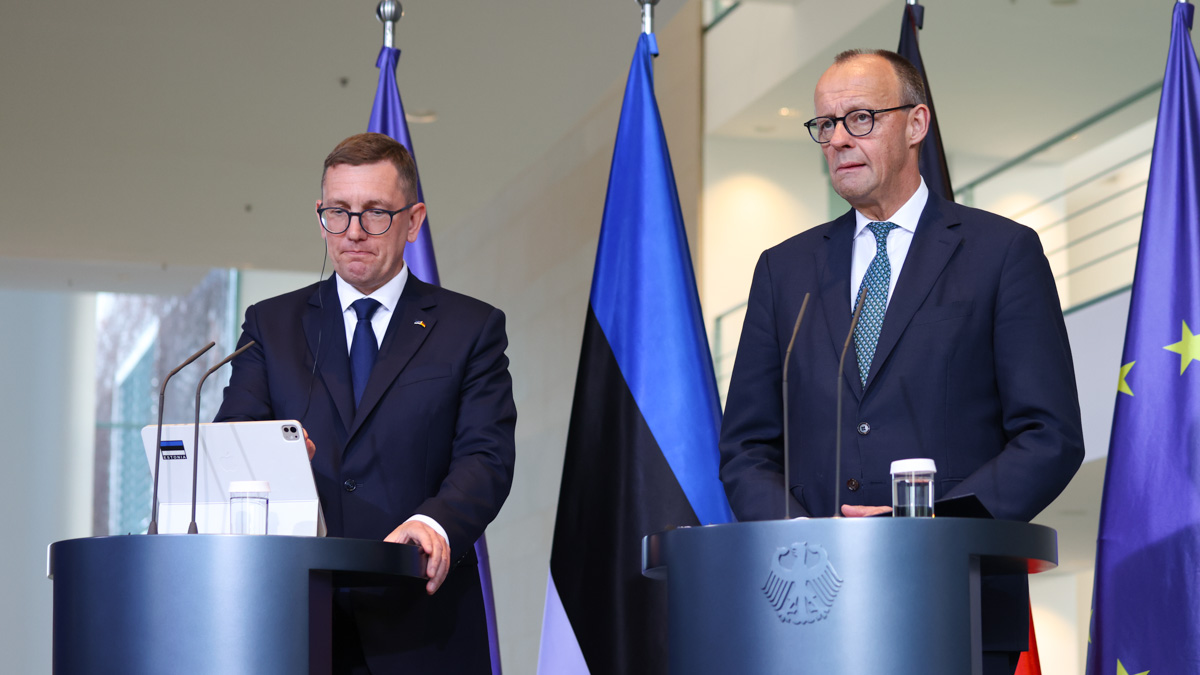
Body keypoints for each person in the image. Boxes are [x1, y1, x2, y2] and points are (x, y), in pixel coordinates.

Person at [718, 50, 1084, 675]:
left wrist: (935, 525)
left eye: (860, 118)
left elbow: (1049, 436)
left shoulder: (1001, 253)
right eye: (825, 124)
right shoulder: (785, 270)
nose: (837, 140)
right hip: (812, 608)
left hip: (957, 602)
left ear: (916, 124)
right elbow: (747, 446)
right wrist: (809, 539)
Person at [215, 132, 516, 674]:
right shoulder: (271, 324)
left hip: (421, 621)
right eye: (338, 212)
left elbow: (486, 457)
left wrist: (436, 524)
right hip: (292, 620)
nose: (353, 232)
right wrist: (271, 455)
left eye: (376, 213)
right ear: (320, 212)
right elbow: (232, 438)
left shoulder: (471, 328)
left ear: (414, 220)